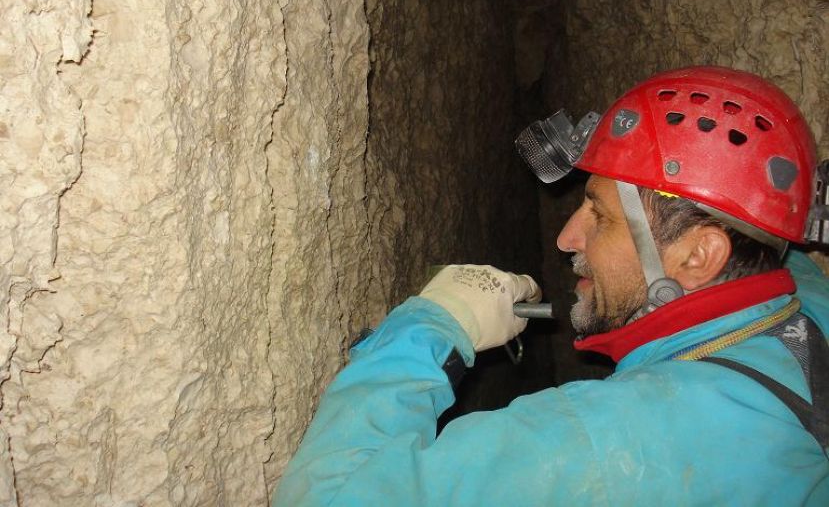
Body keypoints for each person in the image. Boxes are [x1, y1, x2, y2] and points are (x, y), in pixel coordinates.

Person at [273, 66, 829, 506]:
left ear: (699, 255)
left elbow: (327, 496)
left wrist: (434, 323)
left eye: (599, 215)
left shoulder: (615, 445)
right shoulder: (800, 306)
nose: (566, 238)